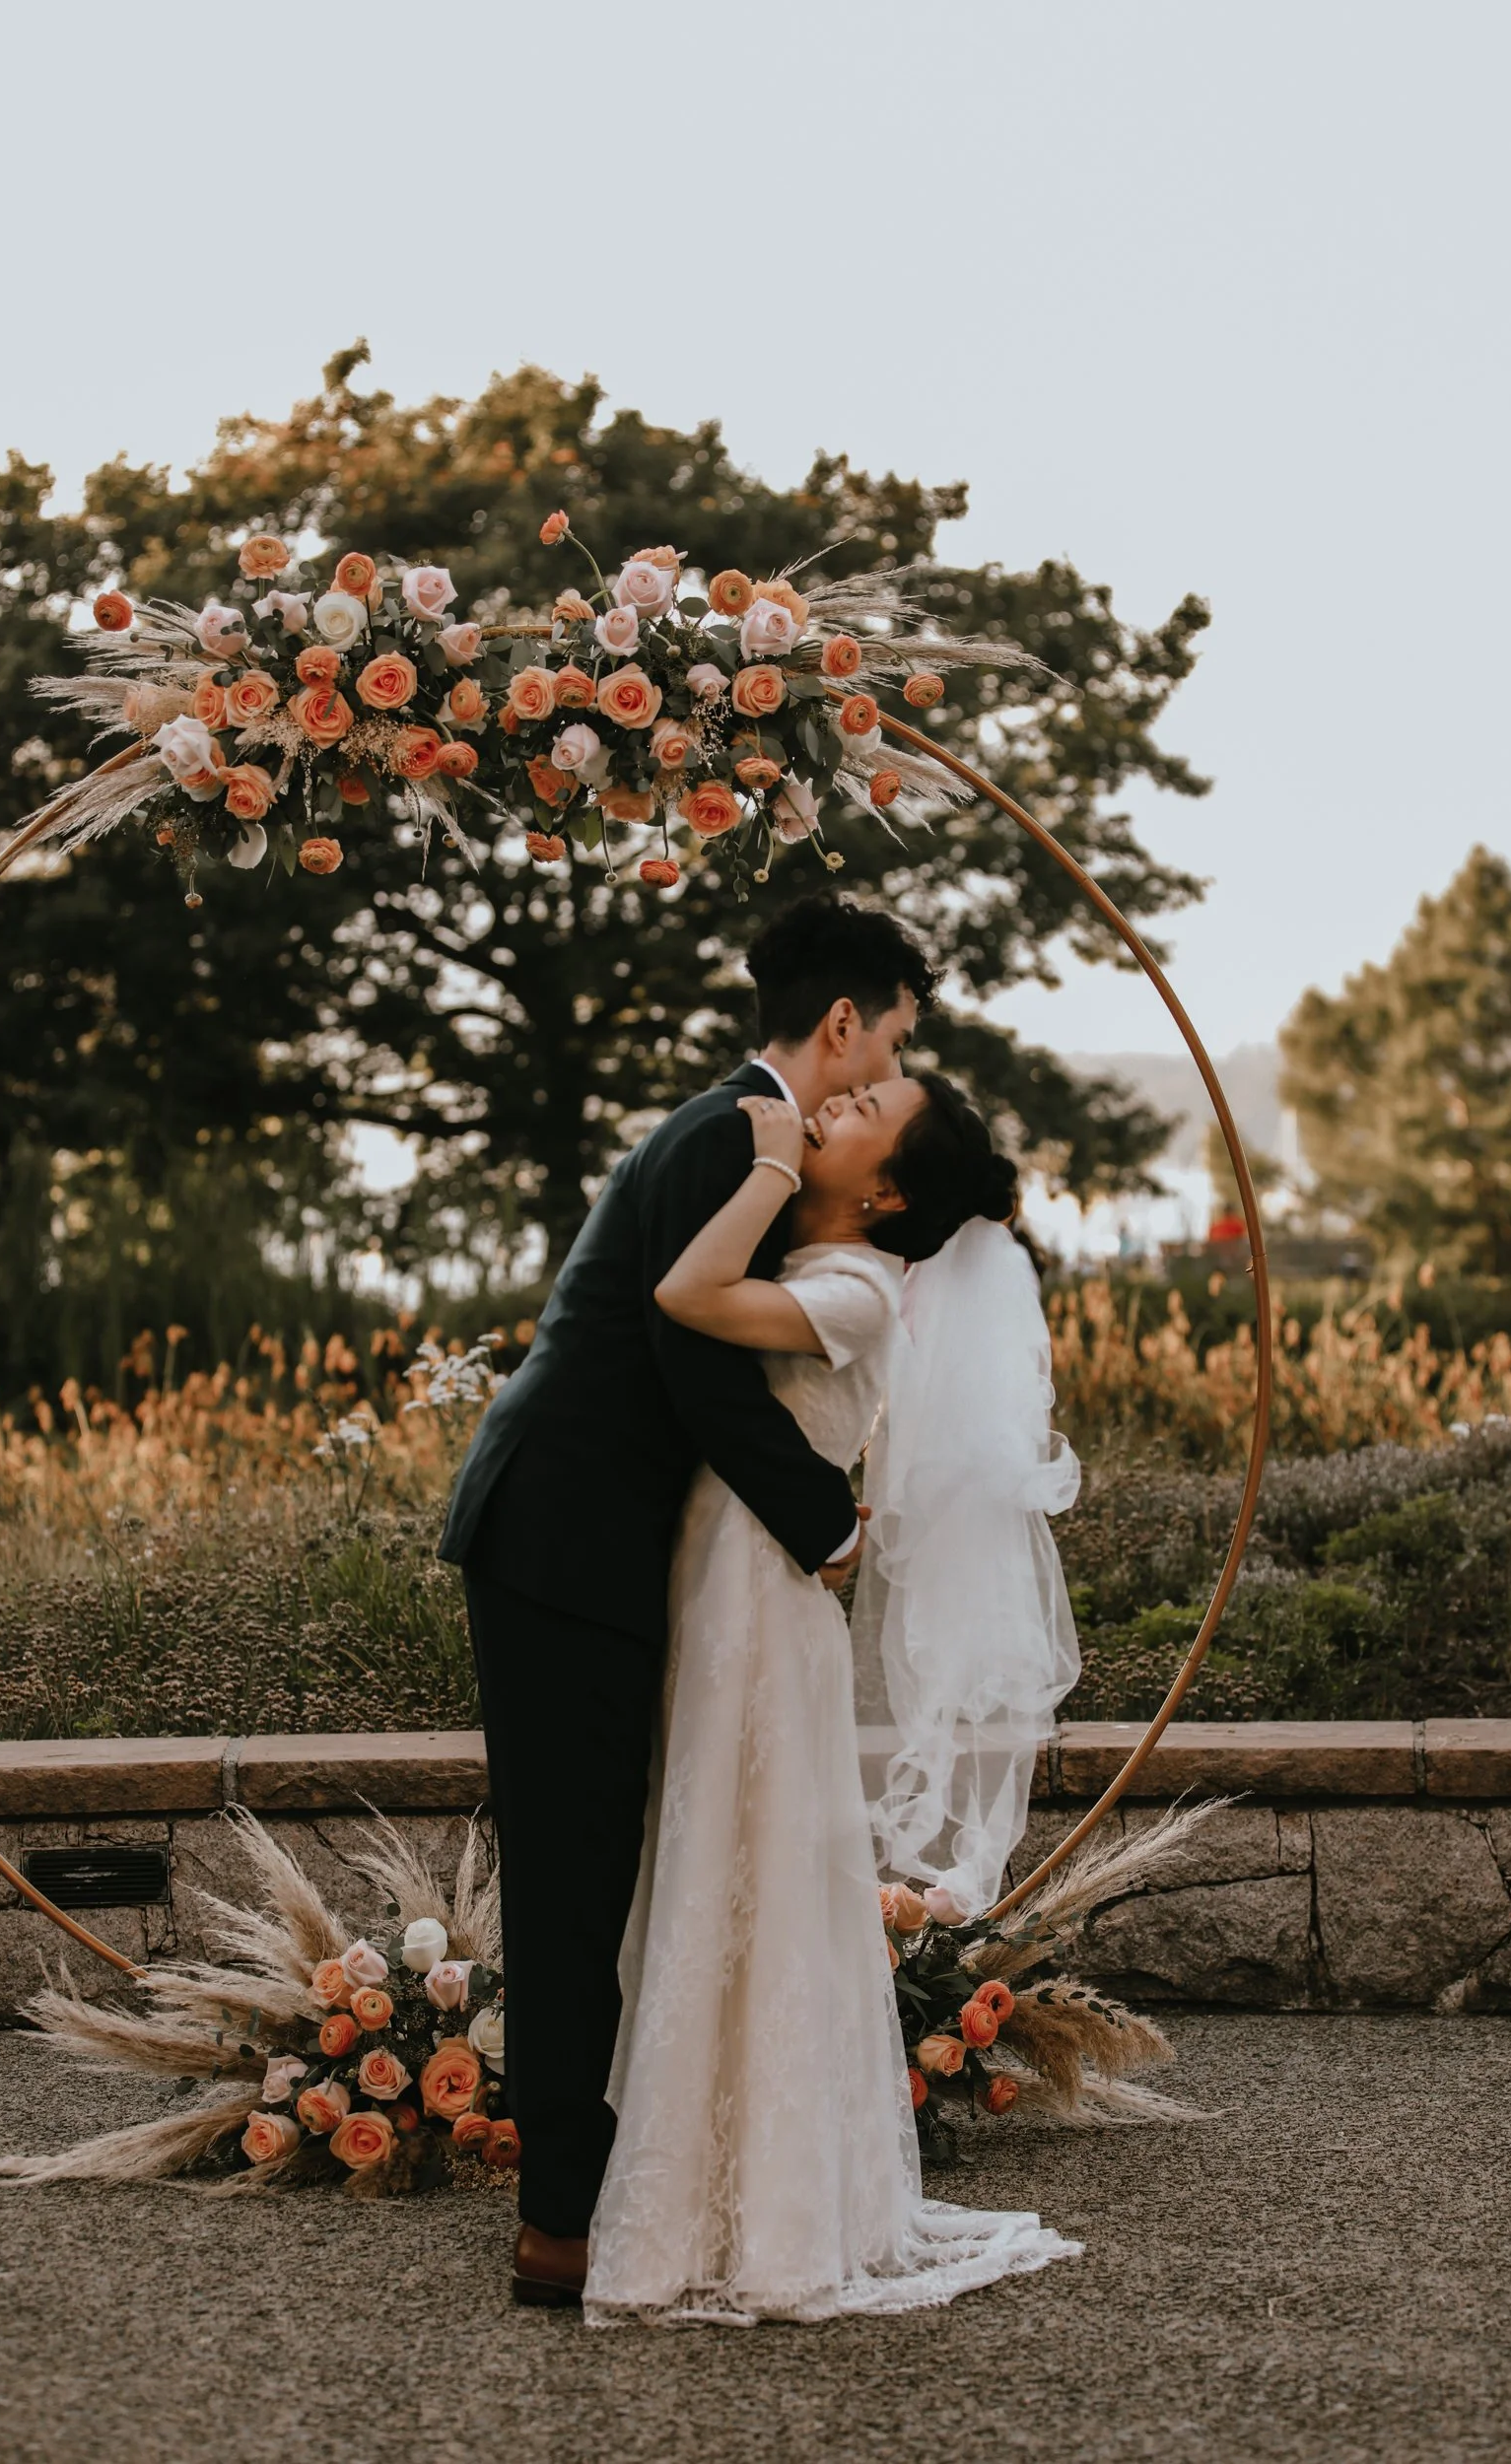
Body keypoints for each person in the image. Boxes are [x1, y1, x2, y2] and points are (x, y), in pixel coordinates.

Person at [438, 894, 935, 2304]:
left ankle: (596, 2193)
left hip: (584, 1546)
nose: (888, 1070)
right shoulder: (735, 1137)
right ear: (840, 1022)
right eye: (890, 1036)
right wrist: (821, 1528)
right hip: (561, 1547)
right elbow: (694, 1365)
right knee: (568, 1878)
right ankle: (557, 2225)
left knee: (597, 1867)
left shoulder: (748, 1136)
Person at [582, 1072, 1081, 2325]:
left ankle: (767, 2208)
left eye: (864, 1107)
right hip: (732, 1577)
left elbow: (684, 1296)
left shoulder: (854, 1287)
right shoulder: (837, 1266)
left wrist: (754, 1167)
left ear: (886, 1189)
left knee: (735, 1860)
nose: (831, 1099)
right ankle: (718, 2180)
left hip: (756, 1596)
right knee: (720, 1858)